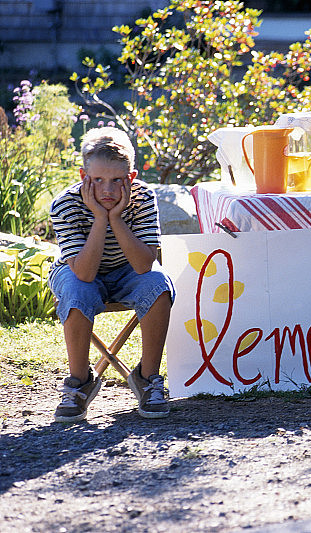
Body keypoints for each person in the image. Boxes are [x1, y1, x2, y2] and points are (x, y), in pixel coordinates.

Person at [48, 127, 175, 422]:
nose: (106, 190)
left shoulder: (143, 197)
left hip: (129, 269)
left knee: (159, 284)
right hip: (77, 270)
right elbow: (85, 272)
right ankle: (79, 382)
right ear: (83, 176)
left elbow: (145, 266)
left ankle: (147, 376)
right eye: (97, 181)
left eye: (117, 180)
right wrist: (98, 218)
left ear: (131, 178)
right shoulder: (65, 205)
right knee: (78, 291)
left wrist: (115, 218)